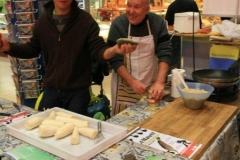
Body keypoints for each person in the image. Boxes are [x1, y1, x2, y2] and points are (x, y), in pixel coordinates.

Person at [0, 0, 136, 116]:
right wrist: (9, 47)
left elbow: (99, 51)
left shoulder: (86, 21)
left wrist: (114, 50)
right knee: (48, 132)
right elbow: (32, 49)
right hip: (51, 91)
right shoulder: (43, 21)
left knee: (76, 138)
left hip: (78, 93)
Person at [107, 0, 172, 115]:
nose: (131, 11)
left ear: (147, 9)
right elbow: (114, 59)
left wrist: (160, 82)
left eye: (137, 7)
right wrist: (131, 82)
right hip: (124, 89)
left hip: (151, 87)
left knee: (151, 123)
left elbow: (165, 53)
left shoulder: (157, 23)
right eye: (129, 6)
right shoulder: (118, 24)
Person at [165, 0, 202, 71]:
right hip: (192, 39)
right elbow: (199, 23)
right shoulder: (192, 3)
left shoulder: (172, 5)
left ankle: (175, 76)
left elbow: (167, 24)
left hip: (176, 37)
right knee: (190, 63)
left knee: (175, 63)